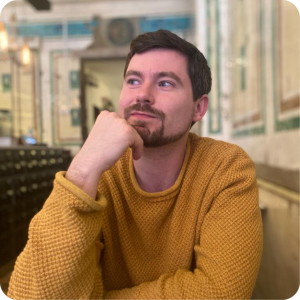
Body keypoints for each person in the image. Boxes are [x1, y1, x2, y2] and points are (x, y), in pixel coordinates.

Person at [8, 29, 262, 300]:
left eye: (165, 83)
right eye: (133, 80)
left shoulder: (226, 168)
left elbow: (223, 293)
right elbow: (31, 295)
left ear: (198, 108)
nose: (142, 95)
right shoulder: (97, 174)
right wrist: (82, 171)